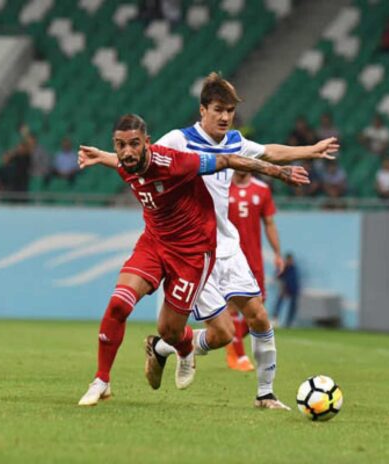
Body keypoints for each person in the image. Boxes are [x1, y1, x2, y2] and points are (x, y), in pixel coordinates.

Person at [80, 72, 338, 409]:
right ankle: (166, 347)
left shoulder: (233, 141)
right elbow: (143, 160)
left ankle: (264, 394)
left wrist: (311, 151)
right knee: (215, 332)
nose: (225, 116)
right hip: (192, 247)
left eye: (229, 110)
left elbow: (268, 152)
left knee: (254, 319)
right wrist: (105, 156)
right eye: (218, 109)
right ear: (203, 110)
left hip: (225, 245)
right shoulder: (178, 140)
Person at [225, 171, 283, 372]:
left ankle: (228, 339)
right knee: (232, 306)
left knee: (258, 310)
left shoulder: (262, 189)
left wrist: (277, 253)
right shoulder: (222, 186)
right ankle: (238, 356)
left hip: (254, 259)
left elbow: (269, 223)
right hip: (229, 256)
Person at [272, 254, 300, 328]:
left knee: (293, 307)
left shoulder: (293, 268)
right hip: (284, 289)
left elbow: (294, 281)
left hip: (293, 290)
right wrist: (282, 287)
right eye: (289, 260)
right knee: (278, 304)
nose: (290, 262)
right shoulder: (283, 267)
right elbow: (277, 276)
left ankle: (289, 323)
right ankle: (275, 319)